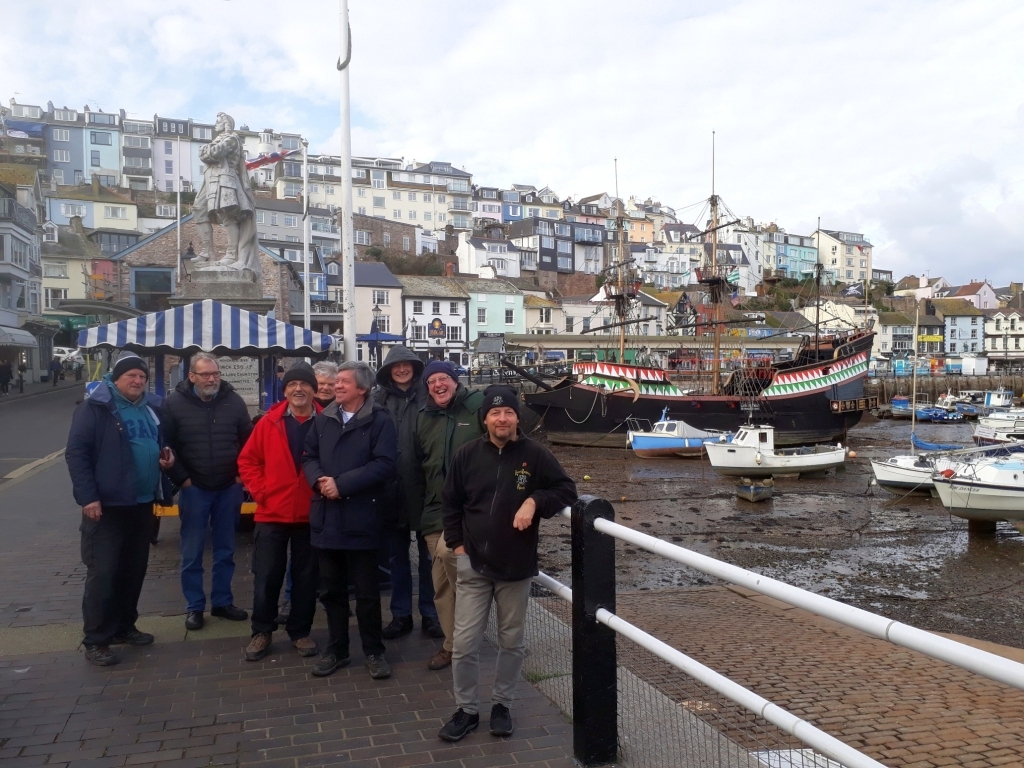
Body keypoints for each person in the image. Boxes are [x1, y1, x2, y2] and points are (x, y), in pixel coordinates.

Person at [437, 385, 576, 741]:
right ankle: (467, 710)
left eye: (509, 413)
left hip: (515, 567)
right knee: (464, 644)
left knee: (511, 642)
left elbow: (566, 490)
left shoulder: (536, 455)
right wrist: (458, 547)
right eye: (495, 413)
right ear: (485, 419)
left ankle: (502, 705)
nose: (502, 419)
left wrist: (535, 501)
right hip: (473, 564)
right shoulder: (467, 455)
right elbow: (450, 502)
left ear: (517, 418)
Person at [65, 351, 176, 666]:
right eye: (131, 376)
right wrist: (88, 497)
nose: (138, 381)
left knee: (133, 570)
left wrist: (166, 457)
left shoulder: (151, 408)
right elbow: (77, 454)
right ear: (116, 379)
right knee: (103, 573)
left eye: (142, 376)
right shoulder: (96, 408)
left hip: (142, 503)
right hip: (107, 507)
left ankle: (125, 627)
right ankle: (96, 640)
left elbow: (159, 443)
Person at [302, 361, 396, 679]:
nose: (336, 386)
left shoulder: (379, 421)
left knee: (367, 594)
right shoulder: (323, 419)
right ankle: (337, 650)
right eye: (336, 381)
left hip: (362, 518)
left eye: (343, 381)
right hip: (327, 517)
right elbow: (309, 456)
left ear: (362, 388)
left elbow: (385, 465)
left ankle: (374, 651)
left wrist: (341, 484)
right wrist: (319, 481)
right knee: (332, 592)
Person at [162, 353, 253, 630]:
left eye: (215, 373)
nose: (212, 379)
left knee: (226, 550)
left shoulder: (234, 401)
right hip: (195, 489)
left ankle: (223, 602)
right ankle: (194, 607)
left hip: (228, 488)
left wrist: (240, 476)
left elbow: (249, 441)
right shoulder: (173, 404)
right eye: (205, 374)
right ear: (192, 376)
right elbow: (166, 445)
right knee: (192, 552)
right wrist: (183, 480)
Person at [238, 363, 322, 662]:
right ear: (284, 390)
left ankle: (300, 631)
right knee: (266, 576)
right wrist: (262, 492)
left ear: (314, 390)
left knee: (306, 578)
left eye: (304, 384)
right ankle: (262, 630)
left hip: (310, 514)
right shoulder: (268, 423)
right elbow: (247, 461)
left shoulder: (327, 422)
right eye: (292, 384)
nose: (298, 389)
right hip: (271, 513)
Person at [410, 360, 484, 671]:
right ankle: (454, 646)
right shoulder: (423, 417)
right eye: (431, 381)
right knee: (440, 584)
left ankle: (469, 637)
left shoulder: (477, 407)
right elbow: (417, 465)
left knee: (451, 558)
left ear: (455, 381)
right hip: (433, 510)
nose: (438, 385)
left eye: (444, 379)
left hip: (468, 510)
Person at [373, 346, 442, 641]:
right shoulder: (378, 400)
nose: (401, 370)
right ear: (389, 370)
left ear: (414, 367)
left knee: (429, 557)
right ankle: (400, 614)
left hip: (424, 487)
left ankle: (431, 613)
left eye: (407, 365)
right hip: (390, 488)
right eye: (396, 366)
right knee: (396, 556)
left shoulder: (429, 397)